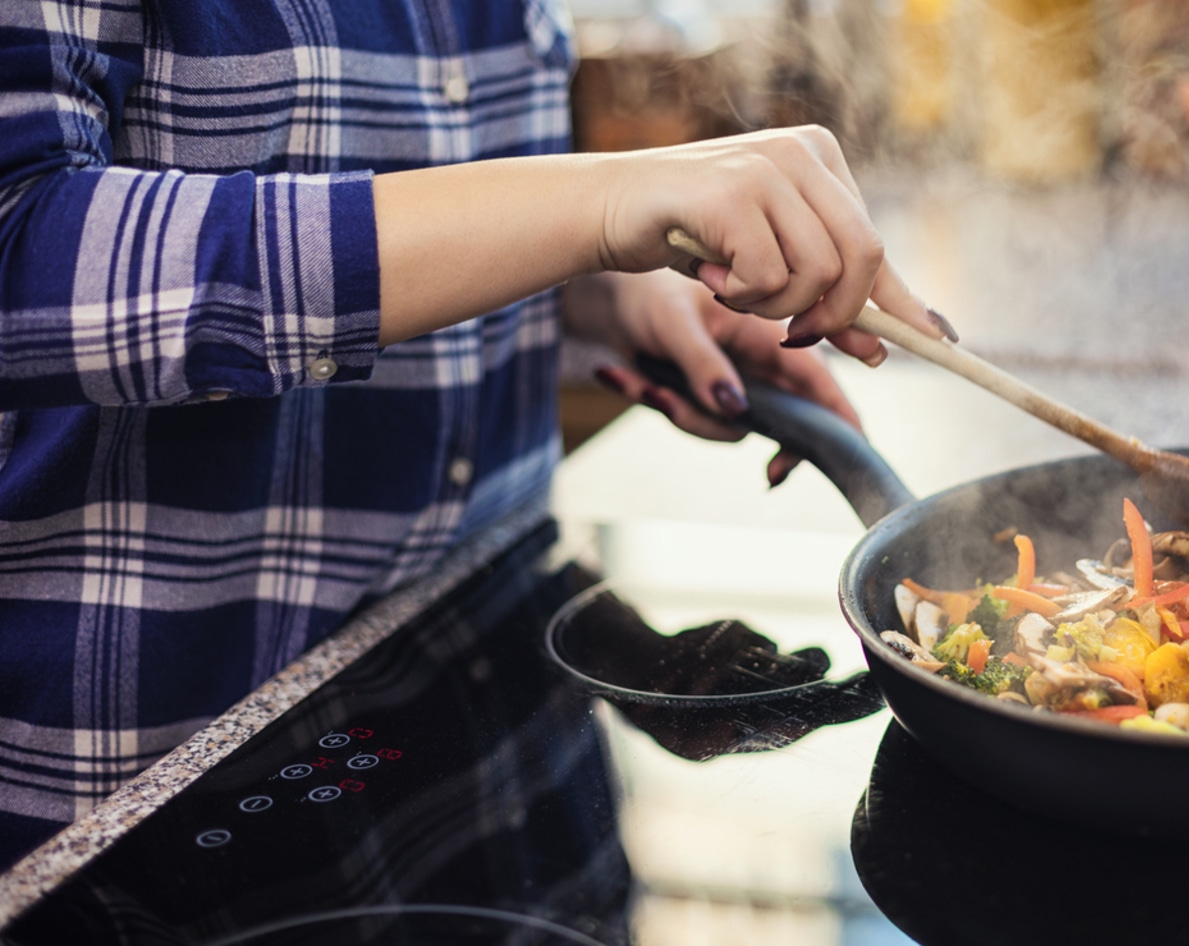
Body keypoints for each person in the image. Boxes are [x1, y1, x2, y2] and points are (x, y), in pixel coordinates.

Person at [0, 0, 939, 869]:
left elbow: (448, 203)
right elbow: (21, 255)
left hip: (523, 772)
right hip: (160, 796)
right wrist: (595, 205)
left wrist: (611, 293)